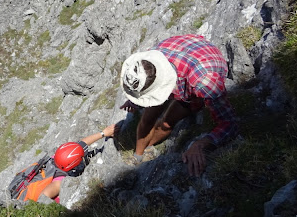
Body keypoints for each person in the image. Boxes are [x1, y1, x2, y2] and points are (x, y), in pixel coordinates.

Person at [119, 34, 238, 176]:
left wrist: (200, 144)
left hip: (200, 68)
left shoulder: (204, 84)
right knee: (148, 116)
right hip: (187, 55)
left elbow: (229, 123)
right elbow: (144, 79)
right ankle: (139, 155)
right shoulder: (150, 60)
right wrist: (135, 100)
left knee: (167, 123)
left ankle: (147, 146)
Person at [15, 124, 117, 203]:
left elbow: (79, 145)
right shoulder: (58, 182)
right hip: (25, 201)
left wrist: (103, 133)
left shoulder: (56, 158)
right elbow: (41, 199)